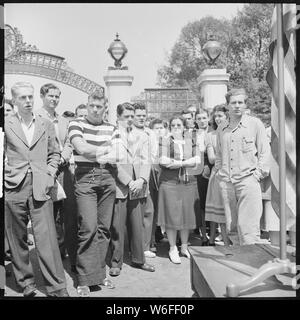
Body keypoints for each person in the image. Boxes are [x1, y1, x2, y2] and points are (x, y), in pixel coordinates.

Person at [5, 82, 69, 297]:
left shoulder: (45, 123)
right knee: (17, 237)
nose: (28, 101)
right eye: (22, 98)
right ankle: (26, 283)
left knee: (47, 237)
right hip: (13, 186)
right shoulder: (6, 124)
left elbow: (55, 154)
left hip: (41, 185)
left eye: (30, 97)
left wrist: (50, 173)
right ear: (14, 101)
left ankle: (57, 286)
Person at [68, 90, 124, 297]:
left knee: (103, 229)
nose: (94, 109)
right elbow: (82, 149)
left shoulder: (112, 127)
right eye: (92, 105)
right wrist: (105, 149)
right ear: (87, 104)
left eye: (99, 106)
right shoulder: (76, 123)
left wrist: (98, 152)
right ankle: (83, 280)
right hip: (85, 178)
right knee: (88, 227)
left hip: (108, 178)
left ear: (105, 108)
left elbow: (119, 154)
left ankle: (99, 275)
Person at [215, 88, 270, 245]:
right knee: (232, 227)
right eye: (233, 103)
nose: (237, 106)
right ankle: (238, 261)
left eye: (241, 102)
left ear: (246, 105)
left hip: (248, 181)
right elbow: (219, 154)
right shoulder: (222, 128)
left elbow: (265, 153)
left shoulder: (255, 124)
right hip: (227, 182)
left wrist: (257, 175)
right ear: (227, 105)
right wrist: (219, 174)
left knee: (248, 229)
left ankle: (250, 266)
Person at [108, 102, 155, 277]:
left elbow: (146, 160)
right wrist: (129, 182)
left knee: (138, 225)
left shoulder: (142, 136)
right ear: (118, 117)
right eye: (126, 117)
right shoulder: (112, 135)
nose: (130, 120)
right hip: (121, 186)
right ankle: (116, 262)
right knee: (118, 227)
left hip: (139, 186)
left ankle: (139, 259)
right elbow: (114, 163)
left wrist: (142, 179)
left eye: (131, 116)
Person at [35, 83, 77, 270]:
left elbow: (69, 142)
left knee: (65, 212)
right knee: (48, 213)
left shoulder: (63, 121)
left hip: (63, 170)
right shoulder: (36, 117)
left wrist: (64, 157)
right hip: (46, 171)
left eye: (57, 96)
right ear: (42, 96)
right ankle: (48, 255)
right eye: (50, 96)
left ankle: (61, 251)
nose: (54, 99)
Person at [158, 116, 201, 264]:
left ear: (184, 126)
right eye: (173, 125)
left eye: (179, 124)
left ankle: (183, 246)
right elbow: (162, 160)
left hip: (188, 183)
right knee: (172, 216)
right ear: (170, 127)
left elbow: (197, 160)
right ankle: (172, 248)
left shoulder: (190, 140)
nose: (176, 127)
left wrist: (175, 163)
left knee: (186, 215)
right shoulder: (165, 140)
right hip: (170, 183)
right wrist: (184, 163)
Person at [132, 103, 158, 258]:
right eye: (138, 115)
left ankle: (146, 245)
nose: (141, 118)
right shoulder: (129, 132)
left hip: (148, 174)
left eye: (143, 115)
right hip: (134, 174)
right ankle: (135, 246)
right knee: (136, 212)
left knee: (149, 210)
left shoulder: (150, 133)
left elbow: (153, 153)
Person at [204, 104, 231, 246]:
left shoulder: (232, 132)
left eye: (220, 115)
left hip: (233, 174)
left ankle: (227, 238)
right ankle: (213, 238)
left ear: (227, 116)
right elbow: (212, 159)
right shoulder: (210, 136)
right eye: (216, 116)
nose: (217, 118)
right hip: (217, 173)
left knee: (228, 208)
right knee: (216, 208)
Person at [194, 108, 211, 245]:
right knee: (202, 204)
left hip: (214, 169)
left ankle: (215, 235)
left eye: (204, 118)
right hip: (199, 171)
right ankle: (204, 235)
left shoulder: (216, 132)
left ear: (208, 118)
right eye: (199, 118)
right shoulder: (192, 134)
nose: (201, 121)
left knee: (214, 203)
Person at [148, 118, 165, 251]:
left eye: (162, 128)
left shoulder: (168, 142)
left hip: (166, 179)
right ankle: (151, 238)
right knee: (152, 209)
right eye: (157, 128)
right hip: (153, 178)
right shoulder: (149, 143)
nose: (160, 130)